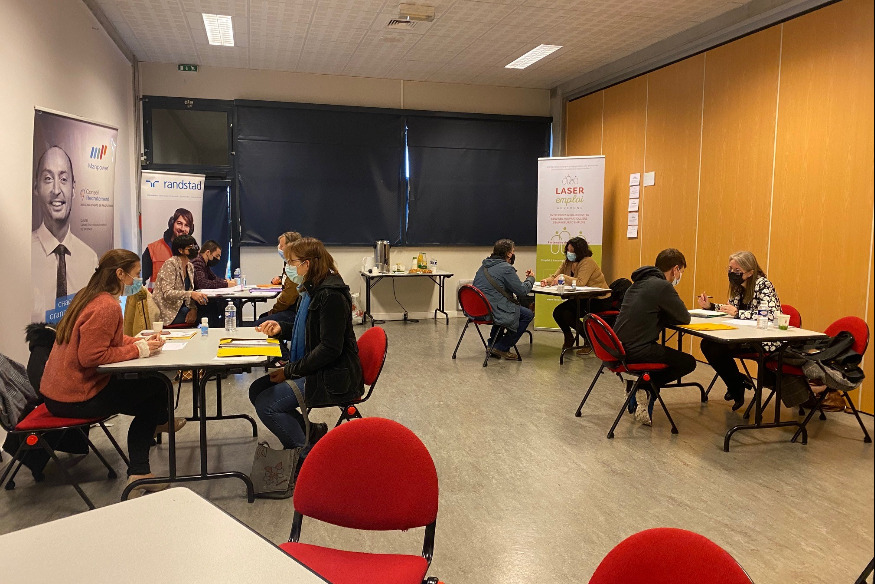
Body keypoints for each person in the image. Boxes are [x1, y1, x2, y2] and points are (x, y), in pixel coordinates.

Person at [40, 249, 185, 495]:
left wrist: (139, 342)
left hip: (58, 394)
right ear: (120, 274)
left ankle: (159, 422)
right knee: (156, 393)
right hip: (77, 398)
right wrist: (139, 350)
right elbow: (91, 356)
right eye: (136, 274)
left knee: (155, 389)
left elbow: (106, 340)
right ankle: (141, 471)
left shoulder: (88, 295)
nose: (138, 280)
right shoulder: (107, 306)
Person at [248, 237, 364, 476]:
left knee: (267, 405)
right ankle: (310, 430)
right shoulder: (312, 290)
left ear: (307, 264)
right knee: (256, 390)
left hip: (334, 376)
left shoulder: (330, 294)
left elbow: (329, 349)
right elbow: (311, 332)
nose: (289, 267)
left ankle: (307, 461)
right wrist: (281, 329)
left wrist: (289, 371)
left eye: (292, 262)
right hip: (321, 368)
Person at [614, 248, 696, 426]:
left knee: (664, 355)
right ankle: (644, 386)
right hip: (637, 350)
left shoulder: (638, 283)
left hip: (617, 347)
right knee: (688, 362)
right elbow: (684, 317)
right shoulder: (662, 286)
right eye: (681, 271)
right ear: (675, 269)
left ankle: (639, 384)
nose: (679, 276)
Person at [696, 250, 781, 410]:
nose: (732, 273)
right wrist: (711, 306)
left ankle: (736, 385)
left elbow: (769, 315)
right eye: (730, 269)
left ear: (750, 272)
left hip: (762, 339)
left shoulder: (763, 285)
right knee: (707, 344)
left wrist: (738, 313)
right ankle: (737, 383)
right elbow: (732, 310)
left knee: (717, 348)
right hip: (741, 335)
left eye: (737, 270)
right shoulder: (738, 286)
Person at [31, 146, 99, 322]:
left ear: (73, 188)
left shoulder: (90, 258)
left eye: (63, 179)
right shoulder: (24, 254)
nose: (56, 189)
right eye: (47, 179)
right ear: (36, 187)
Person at [541, 237, 611, 352]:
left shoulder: (588, 262)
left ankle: (589, 340)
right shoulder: (567, 262)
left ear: (580, 251)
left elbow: (580, 282)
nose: (569, 253)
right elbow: (555, 276)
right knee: (558, 312)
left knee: (567, 314)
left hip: (598, 299)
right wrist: (546, 281)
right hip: (582, 298)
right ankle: (569, 337)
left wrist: (563, 277)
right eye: (568, 250)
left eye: (572, 251)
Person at [473, 239, 535, 361]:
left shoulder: (484, 266)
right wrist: (531, 279)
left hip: (478, 310)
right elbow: (522, 291)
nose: (513, 253)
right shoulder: (506, 268)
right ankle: (502, 347)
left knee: (502, 309)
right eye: (513, 251)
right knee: (527, 314)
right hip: (493, 311)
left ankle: (492, 345)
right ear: (508, 254)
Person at [152, 235, 208, 325]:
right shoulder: (170, 264)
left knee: (207, 309)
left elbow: (189, 292)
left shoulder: (190, 266)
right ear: (180, 250)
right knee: (205, 314)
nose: (195, 249)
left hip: (182, 307)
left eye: (195, 246)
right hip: (167, 311)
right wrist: (191, 294)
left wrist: (193, 308)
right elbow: (167, 293)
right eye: (190, 247)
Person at [256, 231, 302, 328]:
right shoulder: (289, 263)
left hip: (294, 310)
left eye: (281, 246)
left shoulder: (296, 266)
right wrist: (281, 279)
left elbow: (287, 298)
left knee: (259, 324)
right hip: (291, 307)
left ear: (290, 246)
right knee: (262, 318)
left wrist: (273, 312)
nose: (279, 248)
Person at [142, 208, 194, 286]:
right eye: (179, 223)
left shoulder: (193, 252)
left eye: (186, 225)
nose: (182, 228)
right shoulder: (153, 249)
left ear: (190, 229)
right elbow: (139, 278)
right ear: (172, 223)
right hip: (157, 294)